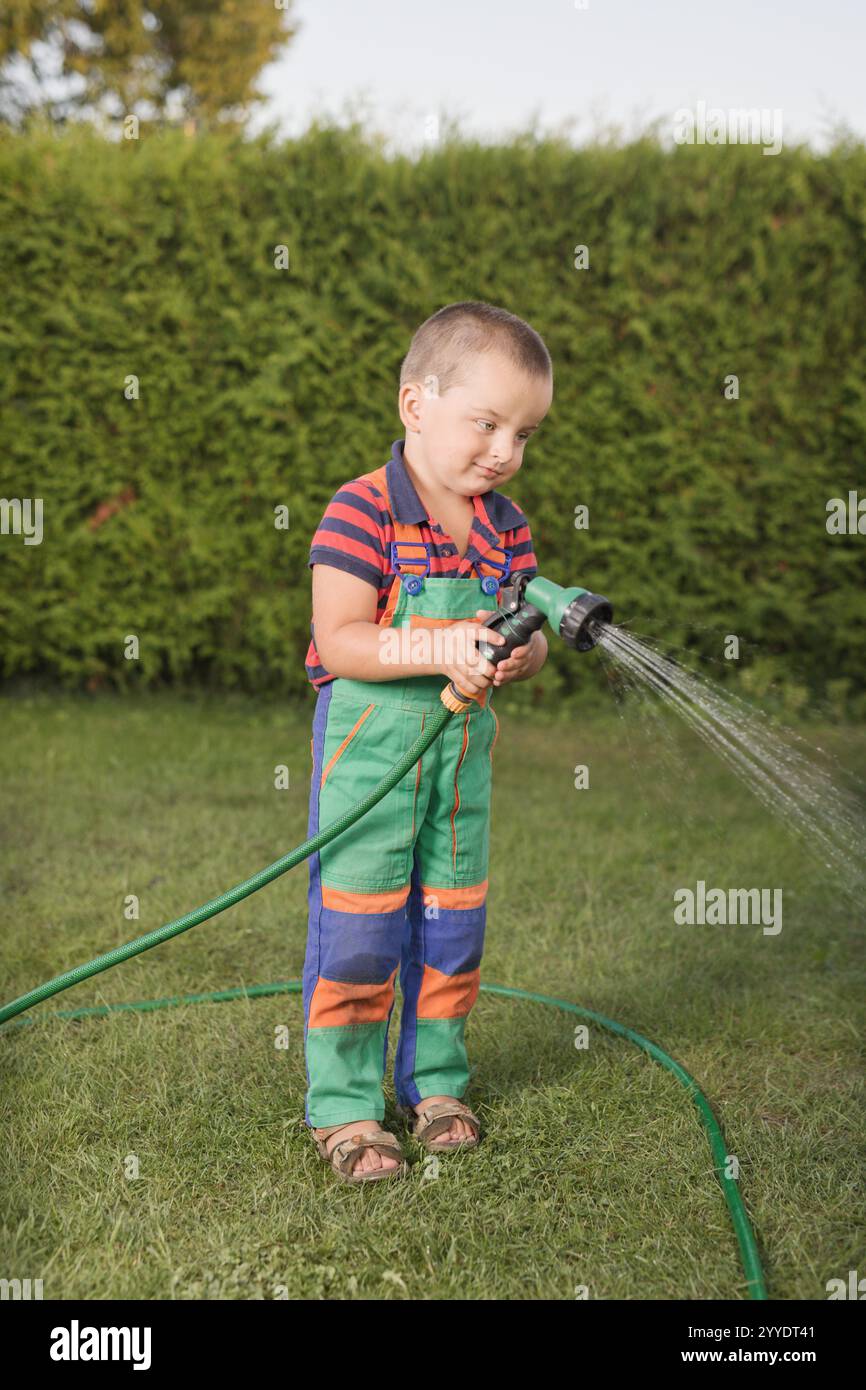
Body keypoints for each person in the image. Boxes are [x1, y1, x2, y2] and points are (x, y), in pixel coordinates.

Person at [302, 300, 551, 1181]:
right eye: (486, 423)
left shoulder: (505, 525)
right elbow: (339, 640)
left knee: (452, 930)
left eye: (523, 433)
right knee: (360, 932)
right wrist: (439, 643)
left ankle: (435, 1085)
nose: (504, 450)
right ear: (417, 403)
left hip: (457, 774)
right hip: (371, 761)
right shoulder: (360, 511)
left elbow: (530, 623)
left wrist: (525, 654)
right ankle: (347, 1108)